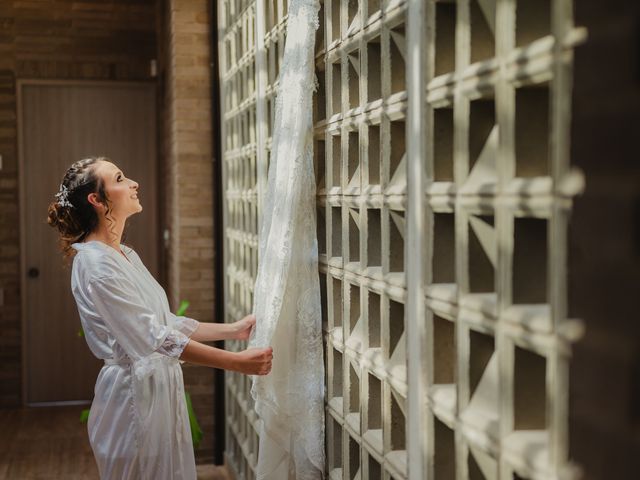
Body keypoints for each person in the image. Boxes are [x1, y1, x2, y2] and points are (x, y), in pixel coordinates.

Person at [46, 156, 273, 480]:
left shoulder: (124, 254)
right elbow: (152, 336)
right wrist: (236, 363)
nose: (133, 183)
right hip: (132, 399)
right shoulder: (95, 265)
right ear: (96, 199)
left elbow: (162, 321)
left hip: (157, 389)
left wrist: (234, 331)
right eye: (120, 179)